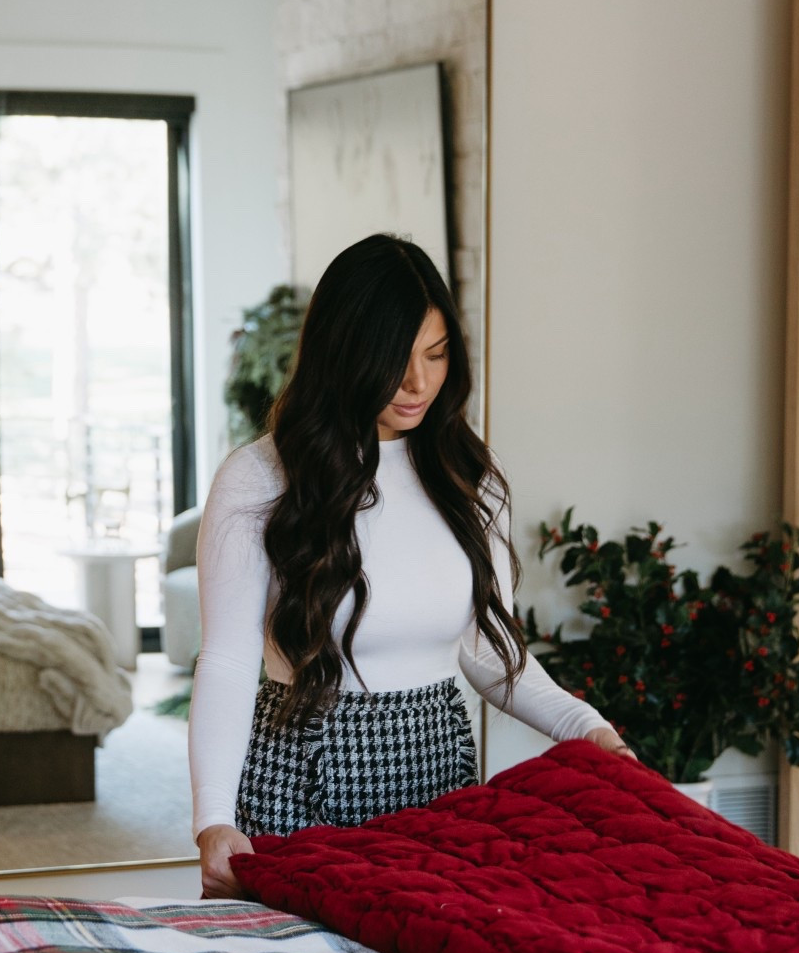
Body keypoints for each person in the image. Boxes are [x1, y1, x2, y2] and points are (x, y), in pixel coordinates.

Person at [191, 235, 632, 899]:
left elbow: (489, 651)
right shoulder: (257, 479)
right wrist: (213, 821)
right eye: (394, 359)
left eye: (435, 354)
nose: (418, 382)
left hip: (438, 775)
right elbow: (225, 660)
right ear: (343, 355)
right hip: (302, 775)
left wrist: (587, 729)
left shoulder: (471, 479)